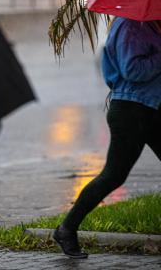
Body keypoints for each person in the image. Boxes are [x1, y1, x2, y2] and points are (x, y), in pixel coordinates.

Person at [53, 17, 161, 259]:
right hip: (130, 111)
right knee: (114, 175)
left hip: (153, 108)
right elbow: (132, 70)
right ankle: (66, 229)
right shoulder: (130, 25)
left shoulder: (154, 23)